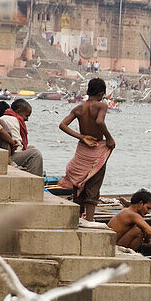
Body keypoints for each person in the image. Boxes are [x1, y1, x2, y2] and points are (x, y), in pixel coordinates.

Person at [58, 78, 115, 221]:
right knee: (94, 183)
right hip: (96, 147)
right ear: (102, 93)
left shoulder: (78, 108)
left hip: (83, 148)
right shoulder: (101, 105)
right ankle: (89, 220)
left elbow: (63, 125)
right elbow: (99, 121)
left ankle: (76, 218)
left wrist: (82, 137)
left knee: (78, 182)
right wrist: (109, 138)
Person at [0, 98, 43, 176]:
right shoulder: (12, 120)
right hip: (7, 156)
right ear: (18, 112)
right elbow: (17, 147)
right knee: (35, 154)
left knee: (31, 148)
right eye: (26, 116)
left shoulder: (5, 117)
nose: (27, 119)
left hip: (6, 152)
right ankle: (34, 182)